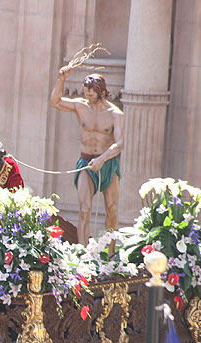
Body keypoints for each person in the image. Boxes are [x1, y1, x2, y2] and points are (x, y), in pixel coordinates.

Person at [51, 69, 124, 245]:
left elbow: (120, 143)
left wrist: (102, 159)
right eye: (86, 94)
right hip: (86, 162)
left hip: (107, 163)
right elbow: (55, 102)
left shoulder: (115, 114)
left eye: (91, 95)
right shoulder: (80, 106)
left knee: (111, 209)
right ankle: (82, 253)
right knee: (84, 209)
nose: (88, 97)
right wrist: (61, 80)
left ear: (101, 93)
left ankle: (111, 253)